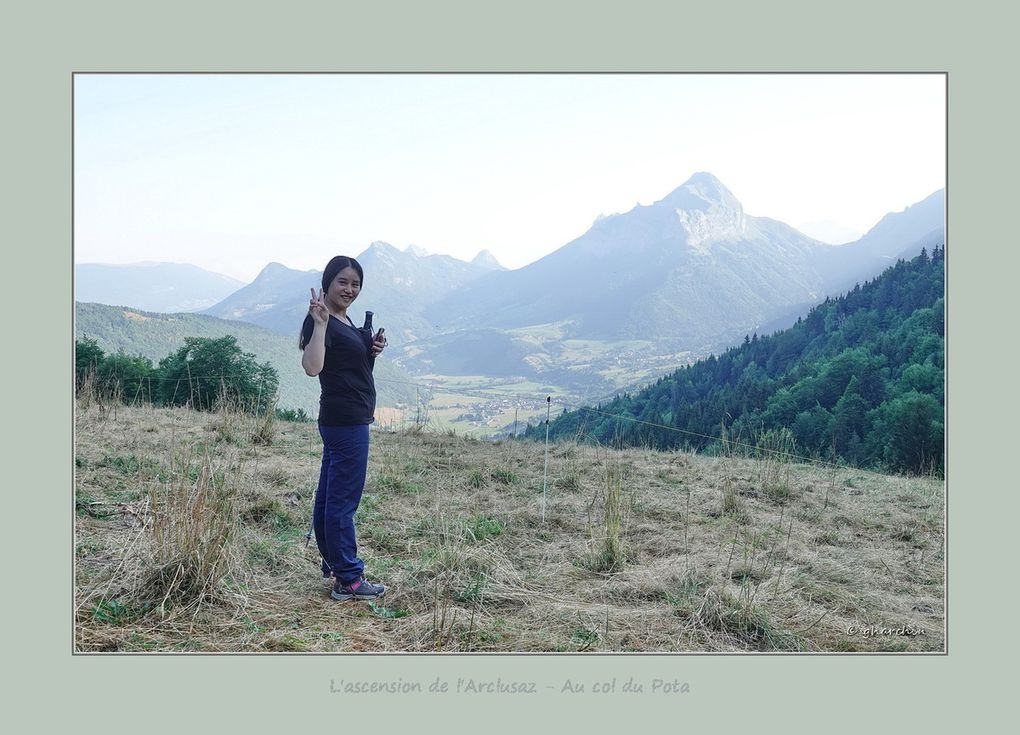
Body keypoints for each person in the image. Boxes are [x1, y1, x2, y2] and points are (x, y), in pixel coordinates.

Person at [300, 255, 388, 601]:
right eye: (343, 282)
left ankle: (332, 560)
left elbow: (349, 366)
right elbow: (312, 367)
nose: (350, 289)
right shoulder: (321, 318)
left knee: (328, 498)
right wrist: (319, 325)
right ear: (328, 282)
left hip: (341, 419)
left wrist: (371, 350)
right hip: (346, 422)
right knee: (342, 501)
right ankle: (349, 579)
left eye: (355, 283)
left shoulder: (344, 318)